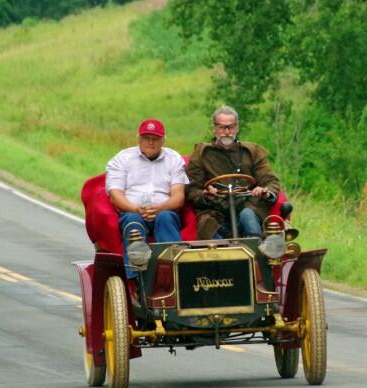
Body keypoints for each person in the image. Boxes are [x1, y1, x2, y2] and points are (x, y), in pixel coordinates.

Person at [106, 119, 188, 280]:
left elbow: (178, 197)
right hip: (132, 210)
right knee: (132, 222)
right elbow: (115, 194)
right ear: (139, 138)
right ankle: (138, 280)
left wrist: (158, 208)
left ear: (163, 140)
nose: (150, 142)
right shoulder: (122, 158)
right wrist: (136, 209)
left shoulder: (173, 159)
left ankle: (176, 272)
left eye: (155, 138)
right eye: (146, 138)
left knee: (166, 218)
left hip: (163, 210)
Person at [185, 106, 281, 240]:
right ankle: (216, 259)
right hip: (215, 209)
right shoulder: (201, 154)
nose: (227, 132)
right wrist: (205, 195)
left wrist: (264, 191)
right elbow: (191, 189)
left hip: (248, 205)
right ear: (214, 129)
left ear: (237, 128)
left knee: (248, 216)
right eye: (222, 127)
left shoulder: (252, 152)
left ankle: (256, 254)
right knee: (207, 225)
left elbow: (270, 181)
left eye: (230, 127)